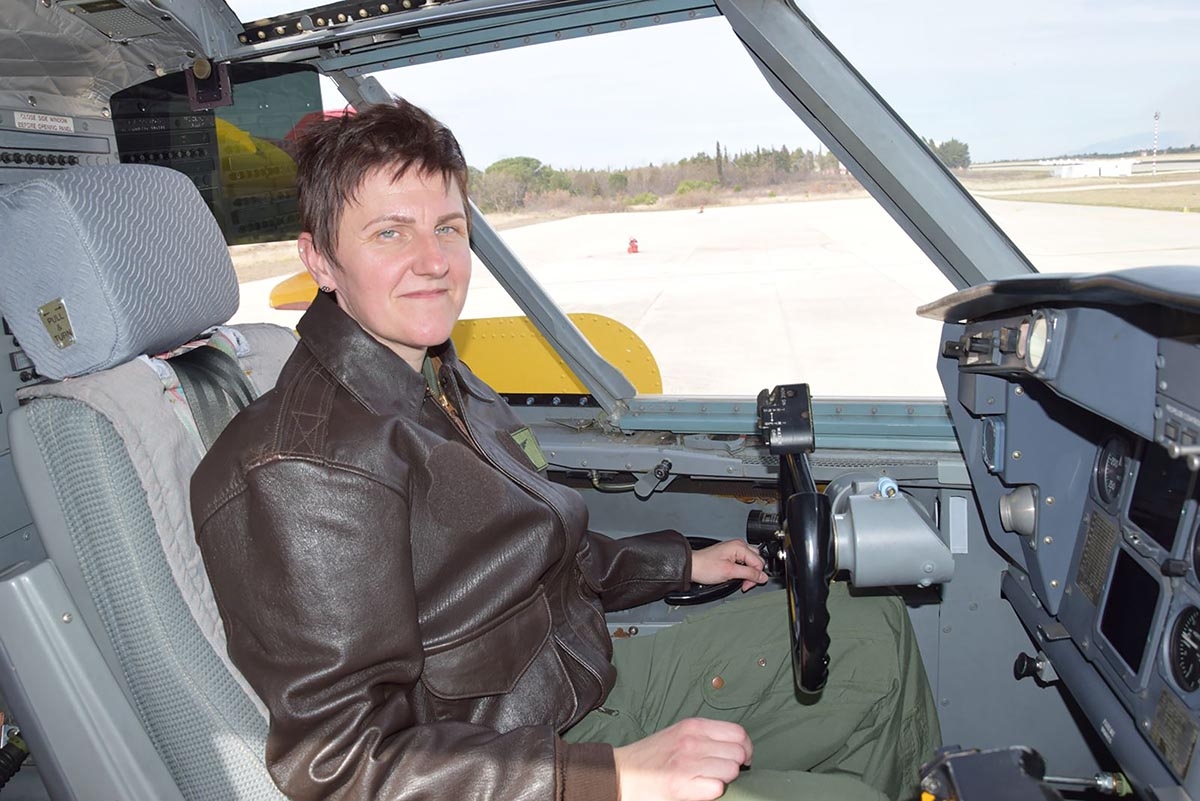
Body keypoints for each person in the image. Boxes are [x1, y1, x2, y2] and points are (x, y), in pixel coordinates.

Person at [191, 99, 939, 801]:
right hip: (512, 755)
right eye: (390, 233)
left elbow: (533, 547)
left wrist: (679, 563)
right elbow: (343, 761)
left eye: (448, 227)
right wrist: (609, 775)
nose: (434, 260)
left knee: (869, 629)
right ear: (320, 260)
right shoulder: (307, 467)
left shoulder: (435, 375)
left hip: (569, 683)